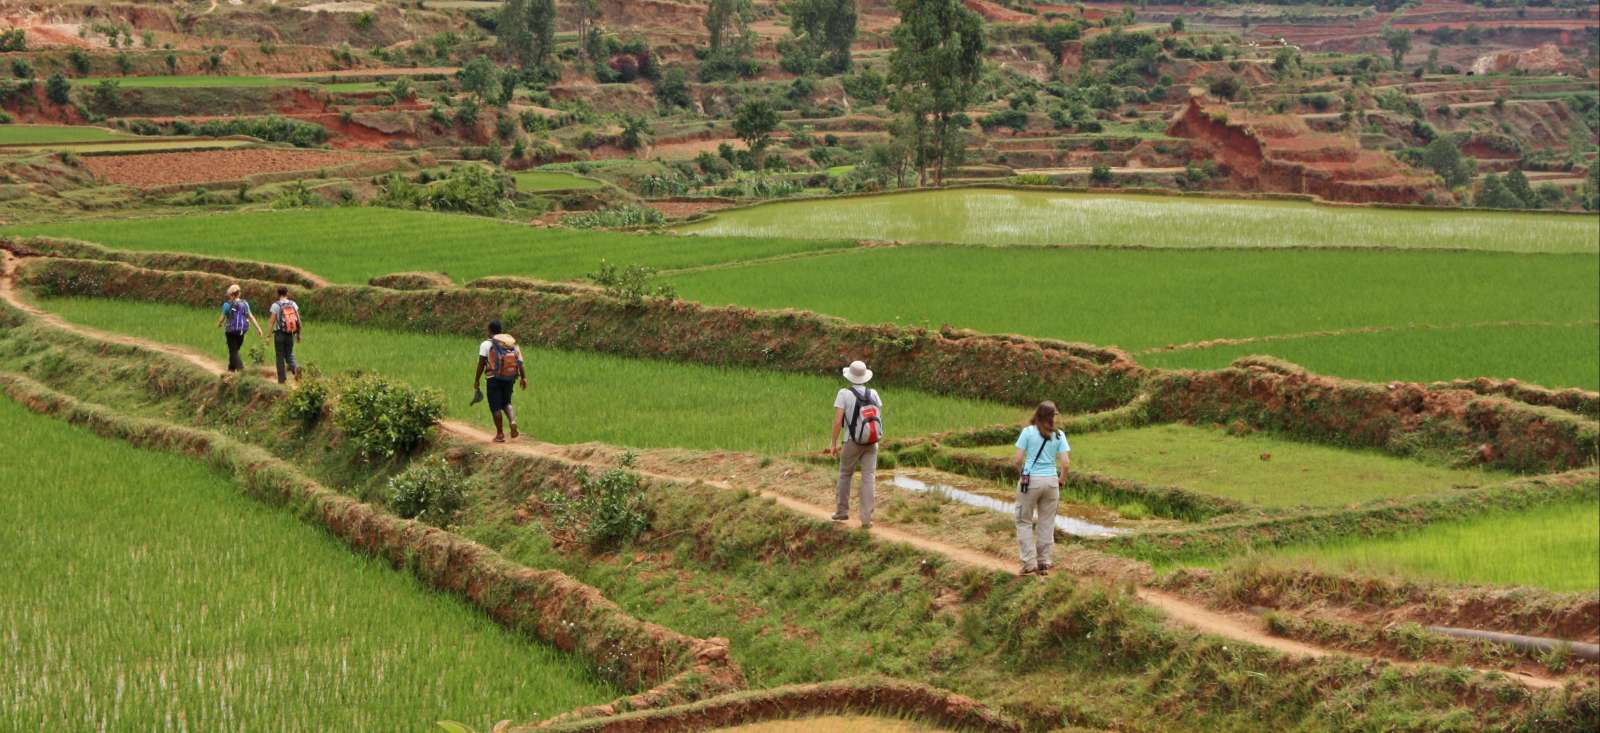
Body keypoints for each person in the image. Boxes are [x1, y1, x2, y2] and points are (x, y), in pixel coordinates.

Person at [1013, 401, 1070, 577]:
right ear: (1052, 417)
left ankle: (1030, 563)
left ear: (1037, 414)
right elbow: (1066, 464)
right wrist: (1061, 480)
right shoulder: (1059, 435)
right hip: (1052, 481)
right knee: (1047, 522)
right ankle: (1044, 562)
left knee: (1024, 521)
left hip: (1030, 481)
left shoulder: (1027, 432)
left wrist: (1022, 474)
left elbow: (1017, 460)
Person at [827, 360, 883, 529]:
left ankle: (842, 511)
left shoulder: (844, 393)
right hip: (872, 441)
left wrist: (833, 443)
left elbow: (838, 422)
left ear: (850, 376)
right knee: (868, 478)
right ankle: (866, 519)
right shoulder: (873, 393)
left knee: (845, 474)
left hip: (852, 441)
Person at [473, 320, 527, 443]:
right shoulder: (510, 344)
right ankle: (512, 421)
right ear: (500, 330)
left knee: (495, 406)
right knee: (506, 402)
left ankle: (500, 434)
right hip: (510, 377)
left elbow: (481, 364)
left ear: (490, 330)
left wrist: (476, 380)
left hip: (494, 379)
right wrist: (524, 378)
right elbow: (520, 362)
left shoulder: (486, 344)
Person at [215, 283, 263, 372]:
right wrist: (258, 328)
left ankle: (242, 370)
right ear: (239, 294)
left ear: (231, 295)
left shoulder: (227, 305)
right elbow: (251, 317)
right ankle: (230, 371)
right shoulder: (245, 304)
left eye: (229, 295)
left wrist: (219, 324)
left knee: (233, 352)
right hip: (242, 331)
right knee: (234, 351)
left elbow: (222, 318)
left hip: (230, 331)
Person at [267, 285, 302, 384]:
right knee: (290, 355)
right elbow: (298, 321)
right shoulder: (293, 304)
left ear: (278, 294)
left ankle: (282, 381)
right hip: (290, 333)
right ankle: (296, 370)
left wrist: (268, 336)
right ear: (287, 293)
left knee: (280, 357)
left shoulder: (275, 305)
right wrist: (298, 334)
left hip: (279, 334)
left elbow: (271, 322)